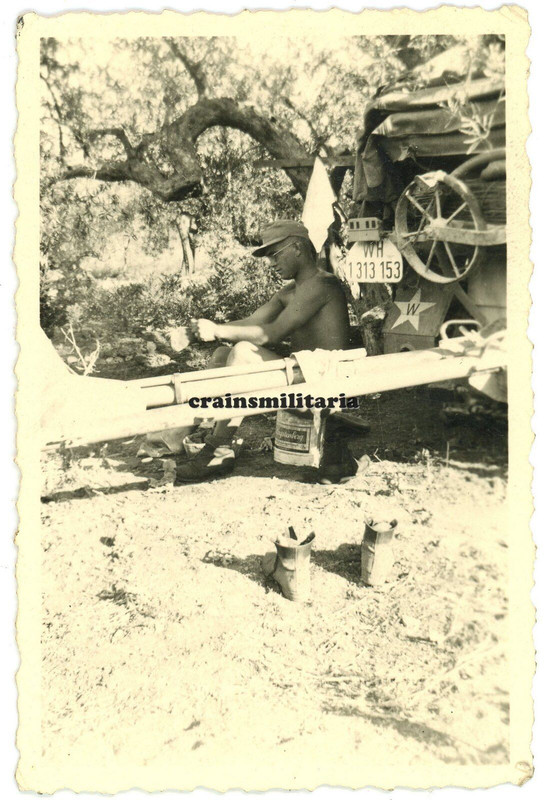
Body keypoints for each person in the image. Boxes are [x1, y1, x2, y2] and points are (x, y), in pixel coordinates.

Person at [174, 219, 352, 482]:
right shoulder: (289, 292)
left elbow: (272, 333)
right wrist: (204, 329)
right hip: (302, 375)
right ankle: (210, 433)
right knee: (222, 355)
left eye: (275, 254)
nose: (271, 263)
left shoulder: (322, 284)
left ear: (298, 248)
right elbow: (252, 322)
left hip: (325, 384)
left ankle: (217, 449)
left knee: (242, 354)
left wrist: (217, 330)